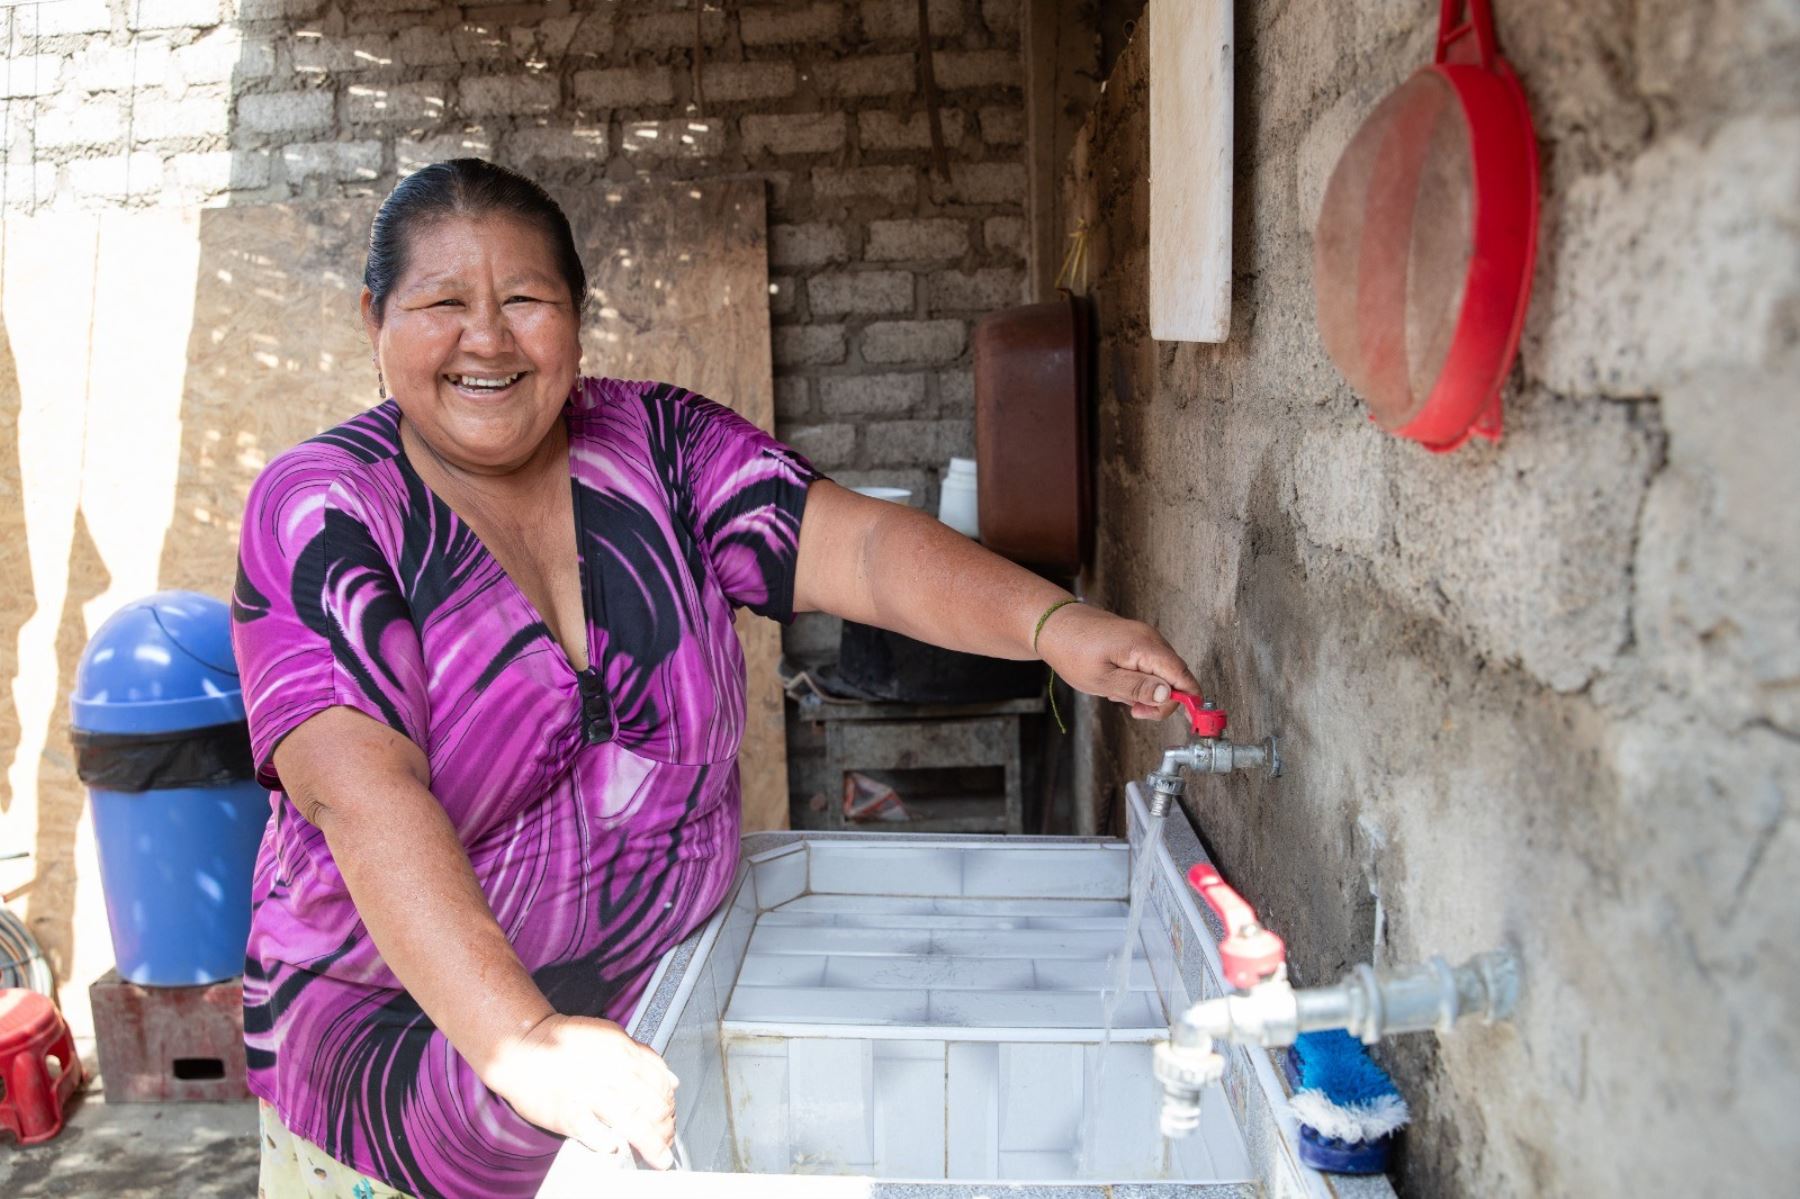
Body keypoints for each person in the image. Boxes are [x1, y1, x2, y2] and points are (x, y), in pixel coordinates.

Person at [234, 158, 1200, 1199]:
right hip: (411, 1091)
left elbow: (862, 548)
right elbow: (360, 790)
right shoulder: (324, 510)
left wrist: (1053, 624)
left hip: (649, 1055)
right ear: (375, 318)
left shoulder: (660, 444)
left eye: (525, 299)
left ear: (576, 317)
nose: (488, 338)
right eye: (442, 303)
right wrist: (526, 1038)